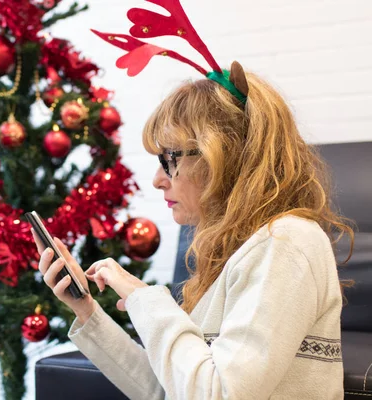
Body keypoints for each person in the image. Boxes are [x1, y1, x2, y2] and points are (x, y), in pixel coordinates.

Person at [32, 68, 354, 399]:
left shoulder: (287, 242)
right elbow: (166, 390)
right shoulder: (240, 249)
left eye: (169, 158)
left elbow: (219, 394)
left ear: (222, 157)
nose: (158, 179)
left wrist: (143, 296)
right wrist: (86, 309)